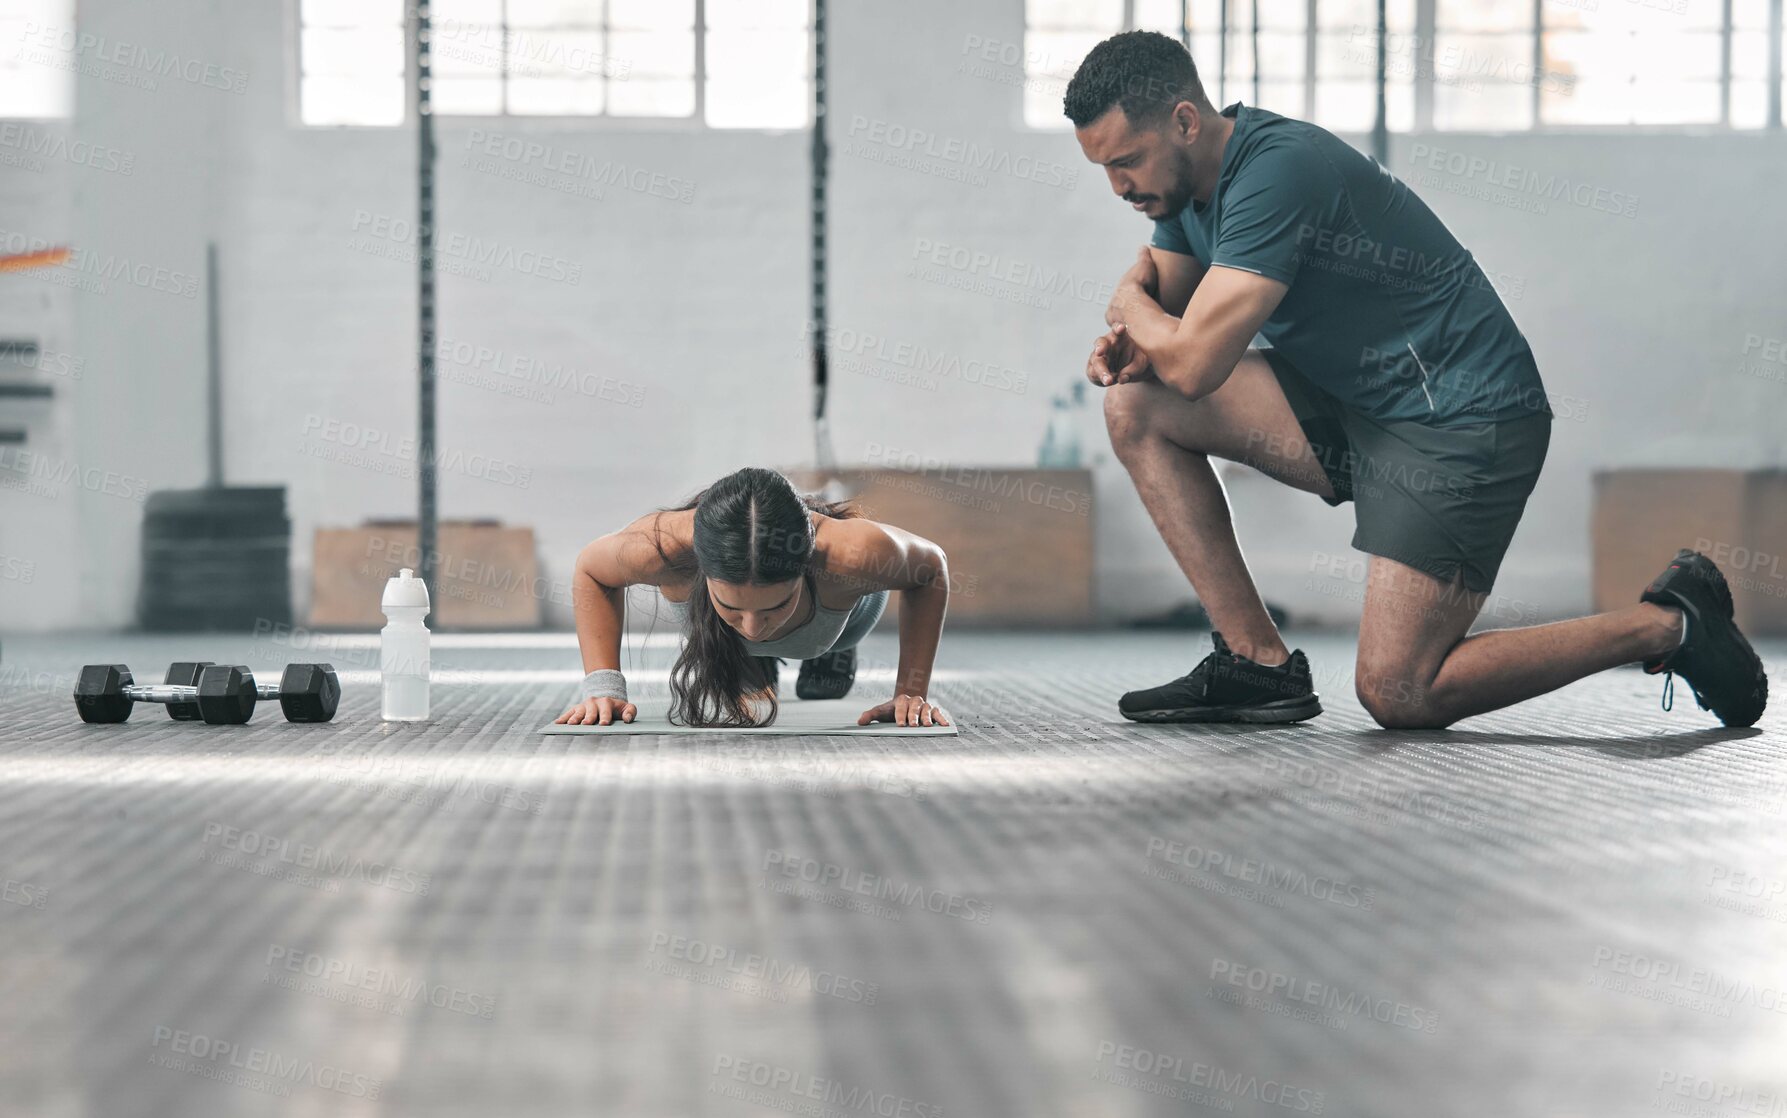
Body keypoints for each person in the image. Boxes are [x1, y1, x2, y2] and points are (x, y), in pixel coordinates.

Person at [1063, 31, 1766, 728]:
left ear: (1184, 121)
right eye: (1104, 167)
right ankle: (1256, 665)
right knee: (1136, 404)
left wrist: (1130, 309)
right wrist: (1137, 344)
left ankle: (1670, 624)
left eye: (1127, 160)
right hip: (1351, 404)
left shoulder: (1278, 170)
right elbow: (1173, 313)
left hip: (1460, 419)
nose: (1118, 185)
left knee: (1400, 691)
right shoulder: (1183, 191)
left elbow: (1189, 357)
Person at [556, 467, 951, 729]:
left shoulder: (852, 553)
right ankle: (761, 653)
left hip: (840, 621)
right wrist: (604, 688)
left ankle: (832, 651)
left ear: (804, 568)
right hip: (729, 634)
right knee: (743, 674)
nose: (752, 626)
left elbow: (932, 569)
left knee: (825, 679)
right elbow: (591, 570)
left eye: (775, 605)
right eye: (732, 607)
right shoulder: (662, 548)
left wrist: (910, 692)